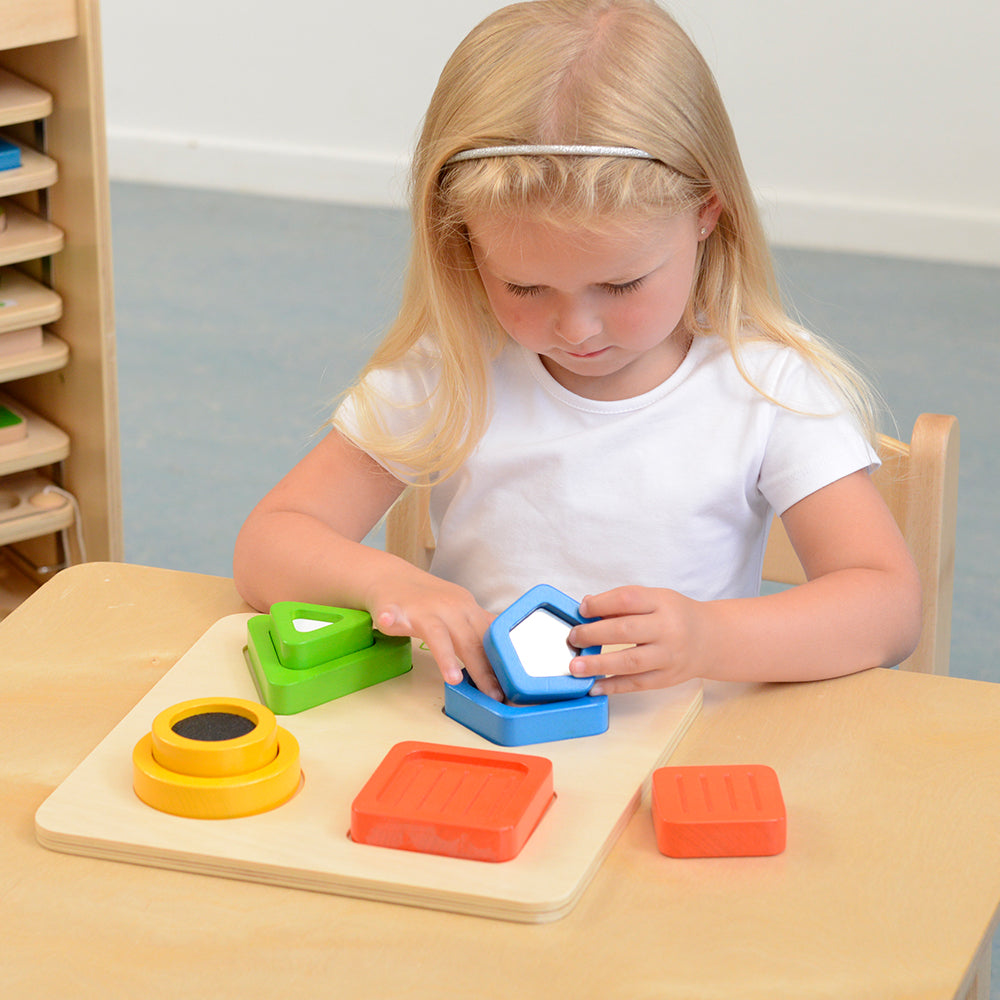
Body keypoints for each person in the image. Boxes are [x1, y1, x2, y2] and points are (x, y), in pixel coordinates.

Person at [234, 0, 921, 700]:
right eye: (525, 286)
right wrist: (392, 582)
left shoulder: (768, 383)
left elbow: (887, 606)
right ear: (464, 240)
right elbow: (270, 543)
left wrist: (712, 638)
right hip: (488, 747)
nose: (578, 330)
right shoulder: (453, 367)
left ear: (706, 212)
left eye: (620, 283)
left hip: (680, 756)